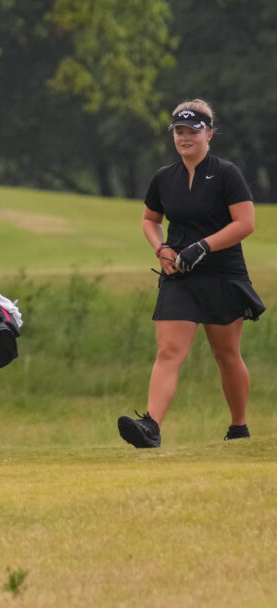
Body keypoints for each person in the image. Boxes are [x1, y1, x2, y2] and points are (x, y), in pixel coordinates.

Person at [118, 99, 264, 448]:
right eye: (179, 132)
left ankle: (239, 427)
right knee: (169, 351)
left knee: (226, 355)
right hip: (179, 275)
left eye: (193, 131)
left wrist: (204, 246)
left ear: (209, 133)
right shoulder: (164, 178)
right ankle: (151, 427)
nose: (185, 138)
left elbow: (246, 223)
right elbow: (150, 220)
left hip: (222, 273)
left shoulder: (226, 173)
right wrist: (160, 249)